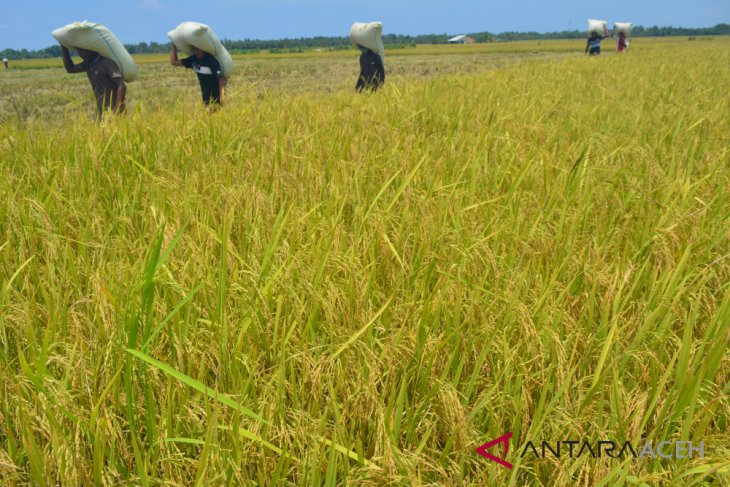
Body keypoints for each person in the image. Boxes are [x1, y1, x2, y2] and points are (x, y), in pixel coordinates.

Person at [61, 46, 126, 120]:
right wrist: (64, 48)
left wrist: (116, 108)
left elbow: (121, 85)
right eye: (78, 52)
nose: (80, 54)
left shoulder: (107, 63)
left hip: (116, 112)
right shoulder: (88, 65)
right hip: (102, 112)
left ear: (90, 49)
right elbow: (70, 69)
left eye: (81, 51)